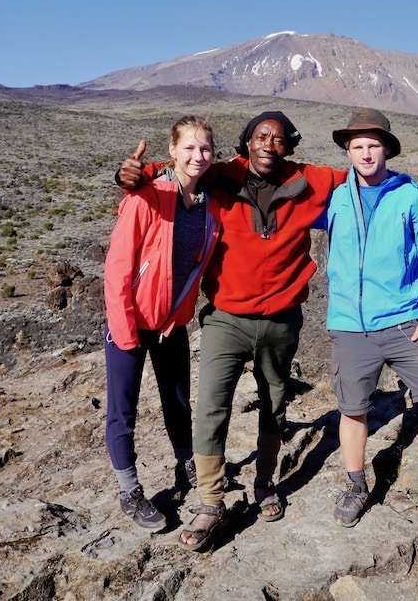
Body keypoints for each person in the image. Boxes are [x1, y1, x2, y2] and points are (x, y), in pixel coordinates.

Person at [116, 111, 347, 549]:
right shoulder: (221, 176)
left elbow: (362, 174)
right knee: (210, 408)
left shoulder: (310, 181)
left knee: (275, 404)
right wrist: (133, 172)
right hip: (226, 318)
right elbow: (177, 168)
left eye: (279, 139)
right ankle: (210, 502)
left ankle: (264, 484)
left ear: (289, 146)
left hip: (281, 320)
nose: (268, 144)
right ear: (246, 141)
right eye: (260, 136)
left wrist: (402, 184)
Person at [324, 108, 418, 527]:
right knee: (353, 410)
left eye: (374, 145)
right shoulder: (334, 196)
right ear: (347, 151)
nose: (366, 153)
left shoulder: (413, 199)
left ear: (387, 149)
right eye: (358, 146)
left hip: (405, 323)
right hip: (350, 325)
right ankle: (356, 485)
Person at [104, 115, 221, 530]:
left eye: (205, 148)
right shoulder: (147, 196)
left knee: (177, 403)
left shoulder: (211, 205)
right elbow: (118, 268)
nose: (197, 156)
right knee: (123, 410)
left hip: (171, 325)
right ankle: (129, 489)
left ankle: (187, 463)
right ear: (172, 151)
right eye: (188, 148)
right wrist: (123, 329)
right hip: (131, 324)